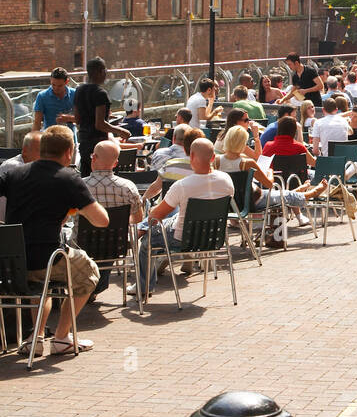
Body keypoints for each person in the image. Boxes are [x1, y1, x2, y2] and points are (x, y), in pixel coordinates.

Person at [0, 125, 108, 355]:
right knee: (89, 274)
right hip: (48, 259)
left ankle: (36, 337)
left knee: (43, 285)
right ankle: (61, 337)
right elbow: (102, 220)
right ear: (69, 152)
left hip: (11, 264)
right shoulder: (69, 178)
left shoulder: (13, 173)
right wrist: (75, 208)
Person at [139, 138, 236, 292]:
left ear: (191, 157)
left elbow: (155, 217)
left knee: (147, 240)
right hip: (213, 238)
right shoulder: (226, 180)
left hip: (182, 239)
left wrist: (148, 214)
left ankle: (144, 287)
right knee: (172, 219)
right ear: (213, 157)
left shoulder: (182, 185)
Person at [77, 139, 145, 299]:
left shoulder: (79, 186)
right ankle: (95, 285)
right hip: (117, 242)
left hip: (83, 242)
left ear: (93, 158)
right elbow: (138, 218)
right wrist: (117, 223)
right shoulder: (128, 187)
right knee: (106, 245)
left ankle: (88, 286)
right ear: (115, 164)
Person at [74, 57, 130, 176]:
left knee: (86, 178)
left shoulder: (79, 90)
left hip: (83, 141)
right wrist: (121, 131)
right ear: (99, 72)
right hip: (98, 145)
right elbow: (100, 124)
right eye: (105, 70)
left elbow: (77, 119)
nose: (106, 73)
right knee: (102, 177)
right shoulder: (100, 94)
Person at [33, 68, 77, 134]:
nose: (56, 88)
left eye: (60, 86)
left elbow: (83, 118)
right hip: (50, 137)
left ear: (67, 82)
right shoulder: (42, 96)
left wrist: (68, 118)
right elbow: (37, 122)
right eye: (53, 84)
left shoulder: (74, 94)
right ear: (50, 81)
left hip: (70, 137)